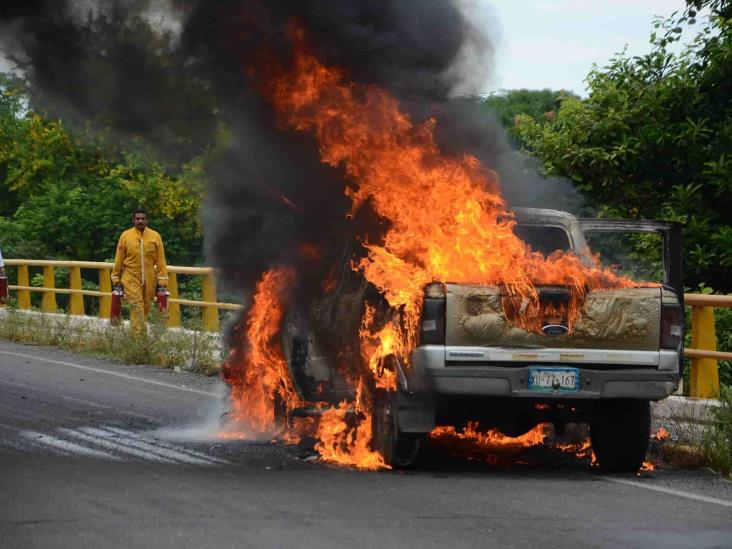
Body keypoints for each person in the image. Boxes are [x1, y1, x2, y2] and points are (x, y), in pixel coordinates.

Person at [111, 209, 168, 332]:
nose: (140, 221)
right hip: (130, 276)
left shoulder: (155, 236)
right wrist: (116, 278)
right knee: (137, 306)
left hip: (149, 277)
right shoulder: (126, 236)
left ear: (147, 220)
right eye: (137, 218)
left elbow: (161, 260)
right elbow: (119, 257)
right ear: (133, 220)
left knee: (146, 307)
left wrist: (162, 281)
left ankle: (135, 336)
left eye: (143, 218)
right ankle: (140, 339)